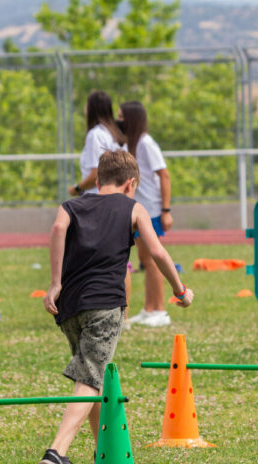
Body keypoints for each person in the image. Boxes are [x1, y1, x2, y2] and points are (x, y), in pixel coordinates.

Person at [39, 150, 193, 464]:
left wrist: (54, 283)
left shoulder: (70, 206)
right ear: (131, 184)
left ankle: (104, 452)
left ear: (97, 180)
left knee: (91, 375)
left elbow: (57, 228)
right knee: (91, 376)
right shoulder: (133, 208)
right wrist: (180, 290)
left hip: (69, 306)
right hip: (105, 303)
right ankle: (57, 451)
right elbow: (157, 251)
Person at [118, 100, 173, 328]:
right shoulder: (131, 144)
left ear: (131, 119)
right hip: (139, 208)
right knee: (144, 260)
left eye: (121, 117)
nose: (118, 120)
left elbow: (164, 175)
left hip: (151, 209)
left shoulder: (147, 143)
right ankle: (148, 309)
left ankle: (160, 310)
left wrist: (166, 211)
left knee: (152, 259)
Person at [67, 90, 126, 197]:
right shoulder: (113, 133)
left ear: (91, 108)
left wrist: (77, 188)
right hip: (114, 196)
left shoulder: (95, 135)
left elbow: (96, 174)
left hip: (98, 198)